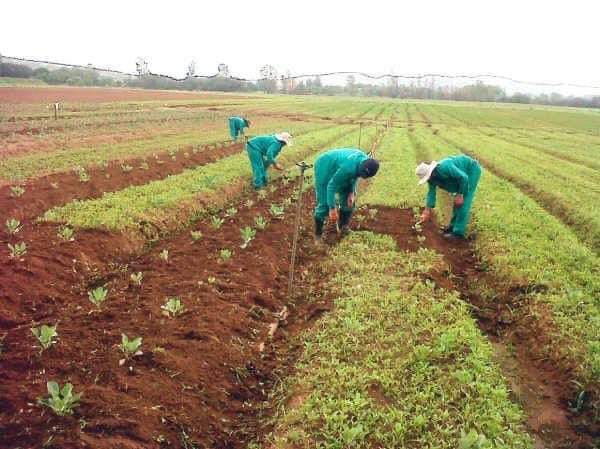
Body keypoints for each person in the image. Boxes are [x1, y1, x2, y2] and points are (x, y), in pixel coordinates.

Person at [313, 148, 380, 242]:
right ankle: (318, 235)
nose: (362, 176)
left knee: (349, 201)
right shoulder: (348, 168)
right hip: (324, 166)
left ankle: (343, 227)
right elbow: (331, 186)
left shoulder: (366, 161)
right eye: (362, 174)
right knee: (324, 204)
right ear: (362, 167)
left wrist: (351, 192)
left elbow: (355, 175)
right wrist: (332, 208)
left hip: (341, 167)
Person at [416, 155, 482, 240]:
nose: (428, 179)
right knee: (457, 203)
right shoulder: (432, 179)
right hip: (461, 177)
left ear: (432, 172)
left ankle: (458, 233)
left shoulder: (445, 167)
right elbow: (431, 193)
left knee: (464, 202)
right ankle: (452, 227)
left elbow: (463, 178)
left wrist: (460, 194)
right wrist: (427, 210)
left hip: (471, 171)